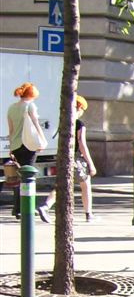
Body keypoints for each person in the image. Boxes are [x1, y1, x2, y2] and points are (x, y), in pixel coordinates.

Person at [38, 95, 98, 223]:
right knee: (85, 184)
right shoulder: (79, 124)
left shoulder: (64, 122)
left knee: (61, 185)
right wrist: (91, 164)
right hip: (76, 159)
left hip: (64, 156)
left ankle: (45, 206)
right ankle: (89, 213)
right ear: (80, 108)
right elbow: (82, 144)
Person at [6, 82, 46, 219]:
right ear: (32, 95)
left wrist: (11, 147)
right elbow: (36, 124)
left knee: (19, 177)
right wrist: (42, 140)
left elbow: (10, 131)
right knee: (29, 177)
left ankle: (17, 208)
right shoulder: (30, 106)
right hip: (28, 145)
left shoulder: (11, 108)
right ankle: (27, 207)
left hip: (16, 146)